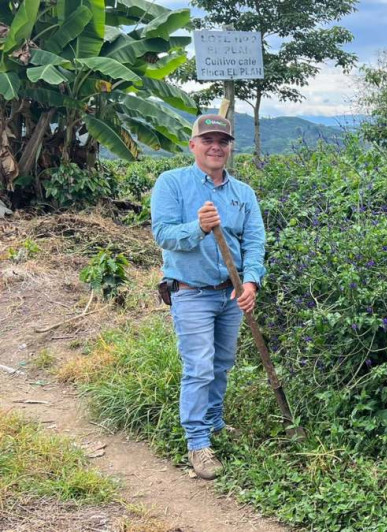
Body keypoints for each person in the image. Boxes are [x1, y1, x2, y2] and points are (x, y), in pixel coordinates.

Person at [150, 114, 266, 480]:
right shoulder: (172, 184)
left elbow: (255, 241)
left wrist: (250, 283)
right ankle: (198, 443)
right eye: (208, 140)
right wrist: (198, 227)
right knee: (198, 367)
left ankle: (214, 423)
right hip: (191, 293)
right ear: (193, 145)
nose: (216, 147)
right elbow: (163, 235)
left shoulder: (242, 193)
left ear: (230, 147)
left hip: (230, 295)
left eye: (223, 141)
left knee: (222, 363)